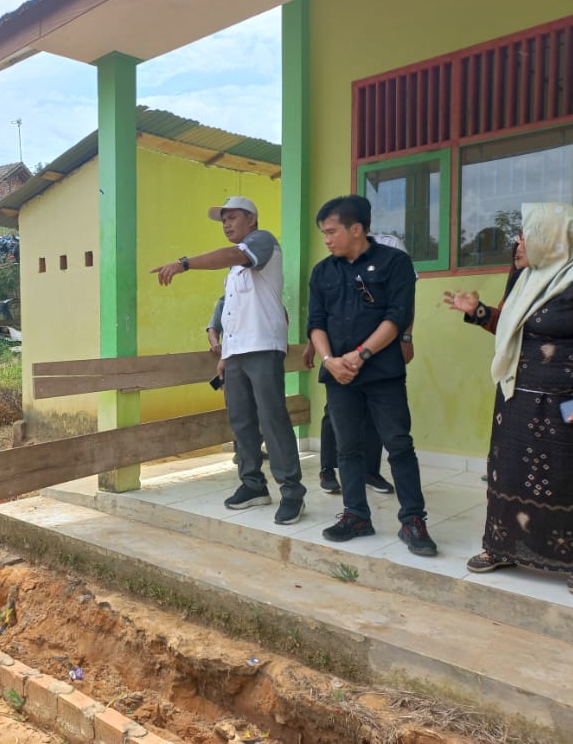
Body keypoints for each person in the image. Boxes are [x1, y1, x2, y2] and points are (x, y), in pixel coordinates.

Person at [444, 203, 573, 596]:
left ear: (554, 236)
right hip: (517, 397)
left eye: (525, 234)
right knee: (511, 473)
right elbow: (511, 327)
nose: (517, 243)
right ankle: (504, 545)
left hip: (572, 400)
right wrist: (478, 312)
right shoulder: (528, 275)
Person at [152, 196, 307, 525]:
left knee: (272, 419)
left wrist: (184, 263)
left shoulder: (262, 243)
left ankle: (292, 492)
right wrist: (220, 344)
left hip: (263, 348)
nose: (226, 224)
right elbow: (230, 306)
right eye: (222, 219)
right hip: (237, 354)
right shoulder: (236, 268)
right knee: (241, 422)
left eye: (232, 217)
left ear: (251, 219)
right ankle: (253, 486)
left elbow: (233, 257)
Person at [307, 195, 437, 556]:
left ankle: (413, 521)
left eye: (332, 231)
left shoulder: (394, 263)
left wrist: (359, 355)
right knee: (347, 448)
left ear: (357, 229)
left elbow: (396, 317)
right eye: (324, 233)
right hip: (339, 376)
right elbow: (315, 323)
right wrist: (331, 360)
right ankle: (356, 516)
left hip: (382, 373)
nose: (327, 239)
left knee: (398, 445)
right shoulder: (323, 272)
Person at [303, 232, 411, 495]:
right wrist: (317, 349)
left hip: (378, 351)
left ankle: (370, 472)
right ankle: (328, 469)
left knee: (375, 416)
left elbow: (405, 303)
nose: (329, 236)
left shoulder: (393, 251)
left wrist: (406, 336)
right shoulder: (334, 262)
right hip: (339, 350)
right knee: (335, 414)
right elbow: (322, 312)